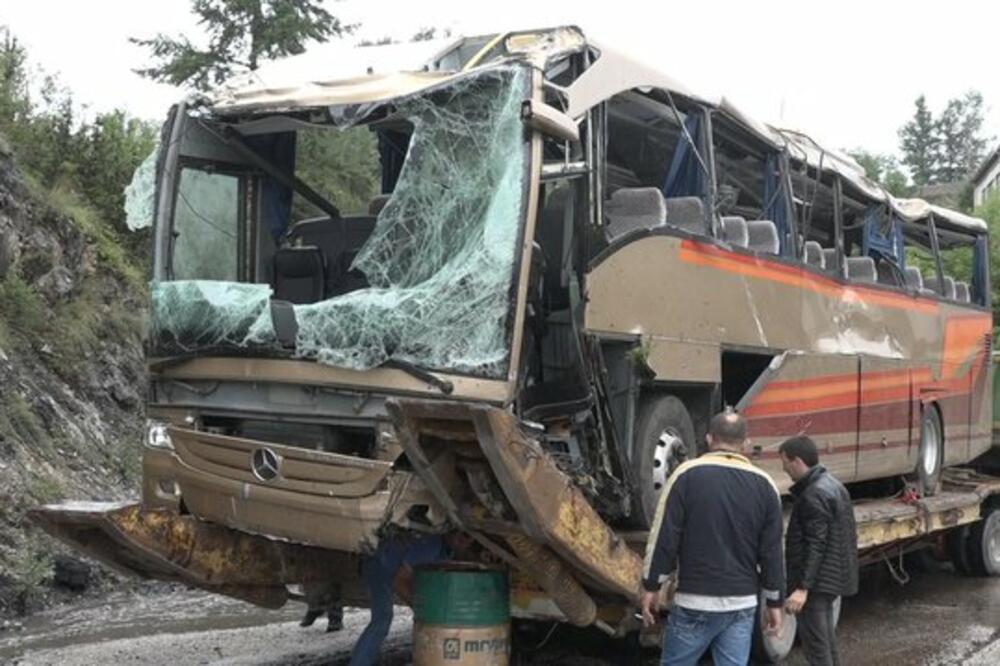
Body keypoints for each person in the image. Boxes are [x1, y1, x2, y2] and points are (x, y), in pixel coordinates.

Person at [640, 409, 785, 666]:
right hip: (741, 604)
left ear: (709, 439)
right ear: (746, 443)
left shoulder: (685, 476)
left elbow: (664, 537)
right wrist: (775, 602)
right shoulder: (766, 485)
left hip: (694, 600)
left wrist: (652, 586)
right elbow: (772, 553)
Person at [779, 435, 858, 666]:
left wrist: (802, 587)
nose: (784, 469)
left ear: (797, 461)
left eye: (784, 462)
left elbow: (816, 543)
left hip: (815, 584)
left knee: (817, 649)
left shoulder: (813, 494)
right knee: (826, 644)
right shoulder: (834, 485)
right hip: (830, 581)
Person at [349, 530, 474, 666]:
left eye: (468, 538)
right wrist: (422, 611)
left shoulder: (447, 551)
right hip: (379, 565)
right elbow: (399, 581)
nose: (463, 540)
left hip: (390, 566)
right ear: (450, 531)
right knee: (382, 619)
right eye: (461, 536)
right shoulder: (431, 545)